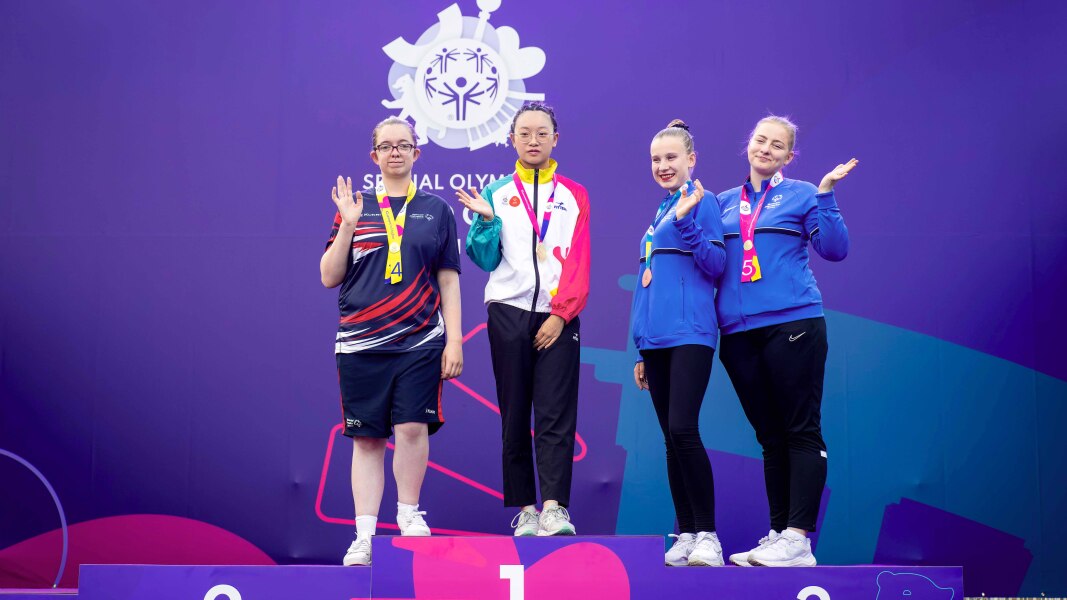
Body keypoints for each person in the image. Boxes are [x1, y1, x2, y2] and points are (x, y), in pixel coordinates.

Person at [320, 116, 463, 566]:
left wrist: (455, 341)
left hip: (421, 338)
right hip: (361, 342)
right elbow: (329, 276)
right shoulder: (355, 209)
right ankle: (363, 536)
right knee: (366, 441)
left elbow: (448, 280)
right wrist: (346, 225)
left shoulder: (437, 210)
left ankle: (408, 514)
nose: (395, 152)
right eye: (387, 146)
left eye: (404, 145)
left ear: (417, 153)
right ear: (374, 156)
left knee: (412, 428)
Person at [715, 115, 857, 567]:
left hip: (793, 322)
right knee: (770, 437)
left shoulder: (802, 195)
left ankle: (799, 538)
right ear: (748, 145)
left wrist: (827, 193)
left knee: (800, 430)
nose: (766, 149)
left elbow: (834, 249)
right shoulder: (720, 203)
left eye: (778, 145)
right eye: (760, 140)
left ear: (789, 156)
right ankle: (779, 534)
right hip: (738, 335)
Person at [456, 102, 590, 537]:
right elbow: (484, 258)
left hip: (558, 316)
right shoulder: (494, 192)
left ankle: (554, 508)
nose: (533, 140)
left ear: (556, 138)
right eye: (524, 133)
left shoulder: (574, 194)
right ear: (511, 139)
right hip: (508, 312)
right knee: (514, 413)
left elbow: (579, 261)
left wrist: (562, 314)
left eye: (542, 133)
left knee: (555, 414)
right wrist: (485, 223)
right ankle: (527, 509)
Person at [630, 120, 727, 566]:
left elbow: (716, 263)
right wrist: (640, 347)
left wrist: (687, 221)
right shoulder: (660, 209)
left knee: (684, 430)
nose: (663, 166)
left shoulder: (701, 202)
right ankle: (686, 531)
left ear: (691, 159)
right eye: (656, 160)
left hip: (691, 335)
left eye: (672, 158)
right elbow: (646, 283)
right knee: (671, 438)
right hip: (657, 341)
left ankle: (708, 534)